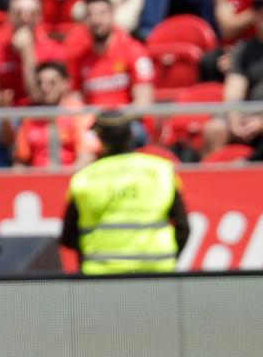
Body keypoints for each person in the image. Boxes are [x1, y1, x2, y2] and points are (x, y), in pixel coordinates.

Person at [60, 112, 189, 274]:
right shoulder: (162, 171)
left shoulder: (84, 178)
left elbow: (68, 236)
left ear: (100, 139)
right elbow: (183, 227)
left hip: (102, 274)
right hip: (157, 271)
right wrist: (167, 259)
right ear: (131, 135)